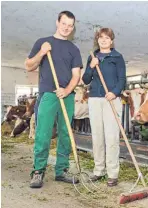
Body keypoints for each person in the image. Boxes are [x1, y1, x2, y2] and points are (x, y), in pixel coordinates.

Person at [24, 11, 83, 188]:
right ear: (57, 22)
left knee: (65, 134)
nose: (66, 28)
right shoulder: (43, 42)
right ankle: (38, 171)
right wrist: (42, 52)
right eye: (64, 23)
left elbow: (76, 75)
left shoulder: (74, 49)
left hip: (67, 96)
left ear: (73, 28)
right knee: (43, 132)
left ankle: (61, 170)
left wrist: (66, 90)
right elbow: (28, 66)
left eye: (70, 25)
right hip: (48, 94)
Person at [82, 27, 126, 187]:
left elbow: (122, 79)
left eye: (107, 38)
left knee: (112, 137)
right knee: (97, 136)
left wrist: (114, 93)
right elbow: (85, 79)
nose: (104, 40)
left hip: (111, 100)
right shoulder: (92, 57)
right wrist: (91, 66)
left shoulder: (117, 57)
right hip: (94, 99)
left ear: (111, 40)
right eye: (101, 37)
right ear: (97, 40)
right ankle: (98, 170)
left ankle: (112, 173)